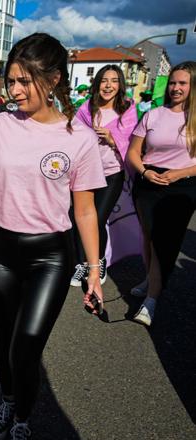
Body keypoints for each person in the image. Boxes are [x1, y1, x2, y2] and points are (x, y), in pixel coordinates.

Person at [0, 33, 105, 440]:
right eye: (9, 81)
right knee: (4, 341)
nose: (13, 91)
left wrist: (94, 272)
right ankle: (11, 402)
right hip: (0, 251)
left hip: (50, 256)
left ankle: (21, 420)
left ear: (52, 79)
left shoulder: (79, 138)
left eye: (23, 81)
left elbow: (85, 211)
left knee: (27, 344)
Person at [127, 61, 196, 327]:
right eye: (173, 83)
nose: (176, 88)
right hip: (148, 182)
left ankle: (152, 300)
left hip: (183, 186)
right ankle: (150, 278)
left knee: (164, 241)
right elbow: (134, 151)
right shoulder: (153, 114)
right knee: (149, 235)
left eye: (182, 83)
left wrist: (181, 173)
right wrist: (144, 172)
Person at [70, 65, 137, 287]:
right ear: (97, 83)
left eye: (114, 80)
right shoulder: (86, 108)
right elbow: (73, 135)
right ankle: (82, 264)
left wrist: (111, 138)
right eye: (104, 80)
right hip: (85, 173)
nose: (108, 85)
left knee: (97, 219)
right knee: (77, 218)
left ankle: (98, 263)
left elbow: (133, 142)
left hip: (111, 173)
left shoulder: (127, 108)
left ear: (120, 85)